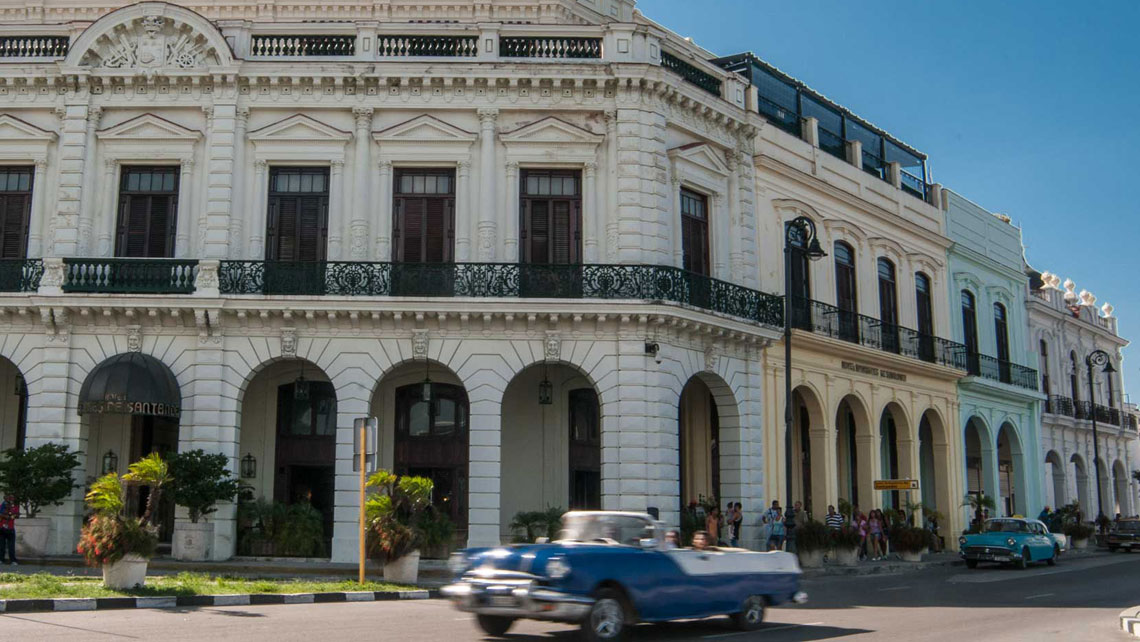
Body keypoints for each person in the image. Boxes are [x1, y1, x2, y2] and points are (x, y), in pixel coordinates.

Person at [0, 493, 18, 566]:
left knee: (11, 546)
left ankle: (13, 560)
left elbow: (15, 515)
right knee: (1, 546)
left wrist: (9, 516)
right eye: (9, 498)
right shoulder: (1, 506)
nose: (10, 499)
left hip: (10, 528)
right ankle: (1, 559)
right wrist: (6, 515)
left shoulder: (15, 507)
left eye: (12, 498)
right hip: (1, 528)